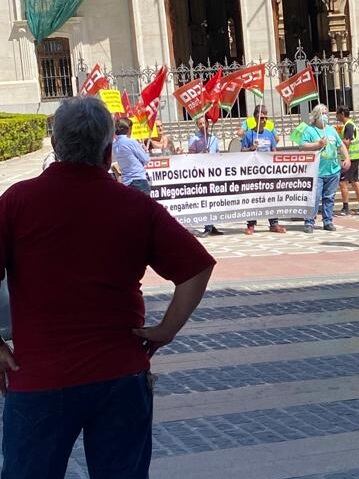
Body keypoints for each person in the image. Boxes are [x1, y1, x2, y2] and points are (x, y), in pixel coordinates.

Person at [0, 97, 215, 479]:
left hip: (39, 378)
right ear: (108, 148)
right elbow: (196, 269)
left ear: (55, 144)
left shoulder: (17, 201)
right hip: (119, 375)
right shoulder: (135, 205)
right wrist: (166, 330)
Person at [299, 104, 351, 233]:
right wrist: (318, 144)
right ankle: (309, 221)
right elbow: (302, 146)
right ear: (316, 116)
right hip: (317, 171)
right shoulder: (309, 130)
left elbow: (341, 145)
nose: (326, 116)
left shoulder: (331, 130)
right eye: (323, 113)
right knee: (314, 197)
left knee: (329, 197)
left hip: (333, 170)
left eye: (327, 113)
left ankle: (327, 221)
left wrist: (347, 158)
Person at [241, 105, 286, 234]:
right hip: (254, 173)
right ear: (255, 117)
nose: (264, 119)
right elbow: (241, 151)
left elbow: (274, 150)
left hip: (268, 172)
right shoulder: (249, 134)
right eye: (261, 117)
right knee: (253, 198)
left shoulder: (269, 134)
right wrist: (251, 149)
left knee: (271, 197)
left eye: (266, 117)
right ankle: (251, 224)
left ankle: (274, 223)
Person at [188, 117, 223, 236]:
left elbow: (217, 153)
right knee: (205, 199)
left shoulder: (213, 138)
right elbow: (191, 155)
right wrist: (202, 154)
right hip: (201, 173)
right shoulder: (194, 138)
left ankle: (211, 225)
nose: (203, 125)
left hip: (213, 172)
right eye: (200, 124)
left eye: (204, 123)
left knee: (213, 200)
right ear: (197, 125)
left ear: (208, 124)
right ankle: (207, 226)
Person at [336, 105, 359, 216]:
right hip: (356, 156)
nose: (336, 116)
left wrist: (337, 140)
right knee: (355, 181)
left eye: (337, 114)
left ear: (342, 114)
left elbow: (347, 142)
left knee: (342, 182)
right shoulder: (349, 124)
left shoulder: (349, 125)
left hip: (352, 158)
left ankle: (345, 208)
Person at [112, 117, 151, 195]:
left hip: (126, 181)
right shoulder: (130, 142)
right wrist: (146, 150)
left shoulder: (115, 145)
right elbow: (146, 159)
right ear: (129, 129)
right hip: (138, 181)